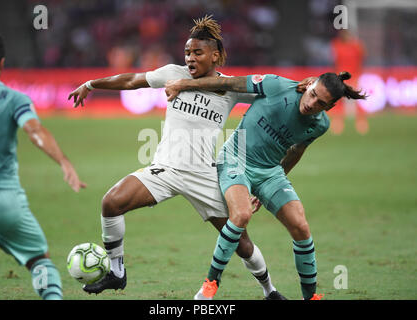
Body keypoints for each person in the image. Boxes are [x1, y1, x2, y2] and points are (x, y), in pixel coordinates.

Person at [69, 15, 311, 299]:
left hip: (204, 175)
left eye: (198, 52)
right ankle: (117, 271)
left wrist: (305, 87)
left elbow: (271, 90)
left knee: (241, 242)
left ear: (216, 55)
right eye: (187, 52)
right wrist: (92, 83)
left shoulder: (231, 87)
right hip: (166, 169)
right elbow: (134, 79)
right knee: (111, 202)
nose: (190, 58)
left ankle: (269, 290)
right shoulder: (174, 73)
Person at [165, 71, 367, 300]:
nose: (312, 104)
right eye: (312, 95)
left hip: (270, 171)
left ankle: (310, 297)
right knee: (241, 215)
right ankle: (208, 287)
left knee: (300, 226)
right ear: (310, 84)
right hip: (235, 158)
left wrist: (272, 185)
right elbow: (227, 82)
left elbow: (296, 151)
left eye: (321, 103)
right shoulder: (275, 85)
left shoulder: (320, 126)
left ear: (329, 107)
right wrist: (183, 84)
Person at [0, 32, 87, 300]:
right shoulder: (14, 99)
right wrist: (63, 161)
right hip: (5, 199)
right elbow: (34, 131)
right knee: (40, 263)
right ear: (1, 63)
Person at [330, 30, 368, 135]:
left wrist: (358, 75)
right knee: (338, 100)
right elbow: (335, 61)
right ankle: (338, 124)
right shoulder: (338, 45)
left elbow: (362, 59)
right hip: (341, 77)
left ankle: (361, 124)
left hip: (353, 76)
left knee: (356, 99)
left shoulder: (356, 46)